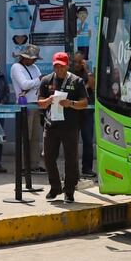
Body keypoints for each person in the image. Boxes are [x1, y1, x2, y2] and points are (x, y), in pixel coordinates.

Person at [37, 52, 88, 203]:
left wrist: (70, 103)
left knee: (71, 159)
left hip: (70, 127)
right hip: (51, 125)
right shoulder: (46, 80)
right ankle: (55, 187)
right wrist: (48, 100)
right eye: (56, 66)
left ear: (67, 66)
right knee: (48, 157)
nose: (59, 69)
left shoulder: (76, 81)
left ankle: (69, 190)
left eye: (62, 66)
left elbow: (84, 102)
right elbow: (39, 102)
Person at [11, 44, 44, 173]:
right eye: (33, 58)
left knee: (35, 136)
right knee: (25, 136)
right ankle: (23, 166)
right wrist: (39, 80)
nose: (35, 61)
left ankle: (34, 164)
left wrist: (39, 81)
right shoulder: (16, 67)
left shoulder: (35, 67)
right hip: (24, 105)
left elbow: (41, 82)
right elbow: (24, 85)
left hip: (36, 104)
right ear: (25, 57)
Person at [69, 51, 97, 178]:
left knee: (87, 141)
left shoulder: (87, 74)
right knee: (72, 141)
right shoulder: (69, 74)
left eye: (79, 61)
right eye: (74, 61)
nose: (77, 64)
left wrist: (87, 70)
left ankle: (87, 168)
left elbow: (92, 86)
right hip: (73, 112)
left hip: (87, 112)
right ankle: (72, 169)